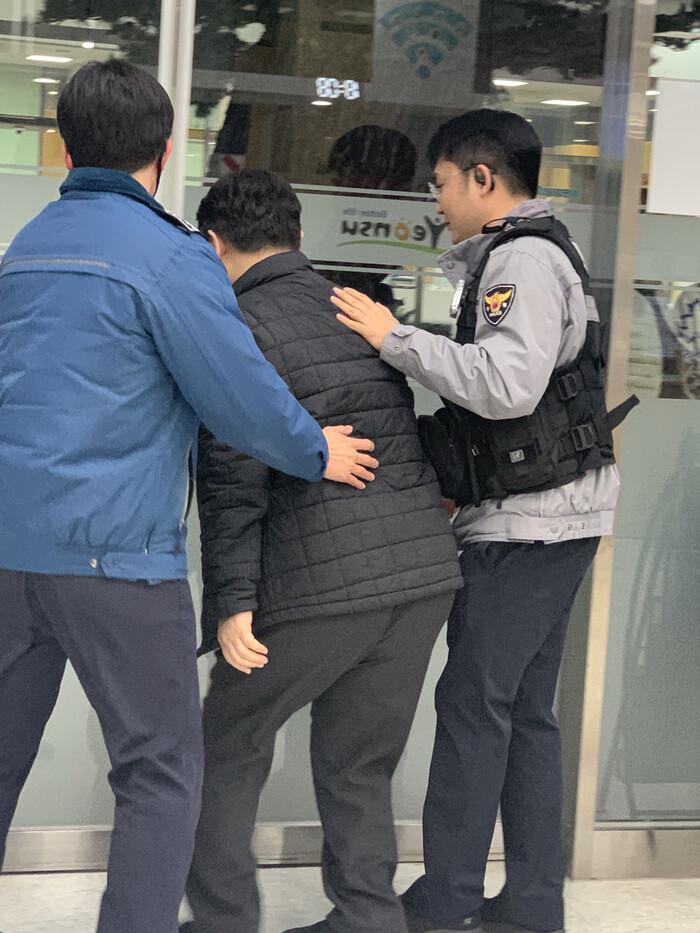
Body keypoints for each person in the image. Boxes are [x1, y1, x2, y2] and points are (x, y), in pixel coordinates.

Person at [0, 60, 376, 933]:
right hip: (118, 560)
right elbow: (238, 395)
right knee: (161, 769)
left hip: (10, 552)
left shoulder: (23, 250)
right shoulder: (171, 257)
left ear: (64, 149)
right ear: (166, 152)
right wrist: (318, 449)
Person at [332, 109, 638, 933]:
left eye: (440, 183)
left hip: (528, 524)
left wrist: (394, 337)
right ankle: (533, 902)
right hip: (554, 516)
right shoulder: (532, 252)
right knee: (523, 711)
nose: (435, 201)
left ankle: (449, 895)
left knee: (474, 704)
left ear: (482, 177)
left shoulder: (521, 261)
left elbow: (507, 385)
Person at [182, 169, 462, 933]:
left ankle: (223, 920)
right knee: (358, 760)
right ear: (299, 235)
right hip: (419, 577)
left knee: (227, 742)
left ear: (214, 244)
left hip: (320, 584)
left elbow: (232, 478)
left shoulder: (235, 326)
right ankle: (369, 915)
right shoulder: (356, 308)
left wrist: (234, 602)